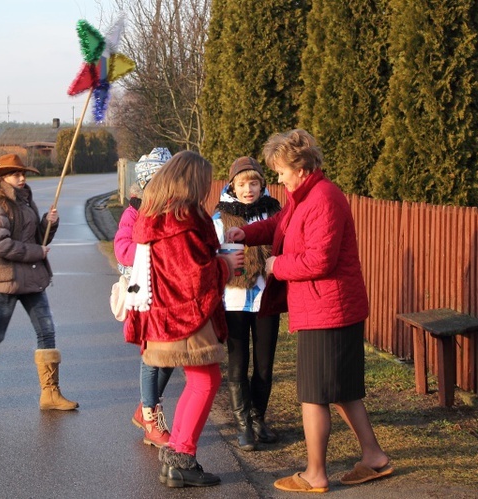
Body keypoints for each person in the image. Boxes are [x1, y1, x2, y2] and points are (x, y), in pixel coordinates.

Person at [226, 130, 392, 493]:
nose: (278, 178)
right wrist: (247, 234)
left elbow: (319, 260)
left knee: (313, 395)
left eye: (281, 170)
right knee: (343, 390)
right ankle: (374, 457)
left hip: (328, 309)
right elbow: (280, 226)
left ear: (300, 168)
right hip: (328, 306)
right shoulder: (304, 197)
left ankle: (315, 474)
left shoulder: (324, 199)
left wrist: (276, 266)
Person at [124, 151, 243, 488]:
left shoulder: (160, 215)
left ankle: (178, 455)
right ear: (192, 182)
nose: (207, 188)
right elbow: (191, 276)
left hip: (167, 315)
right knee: (206, 381)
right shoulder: (181, 219)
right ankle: (181, 458)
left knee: (201, 381)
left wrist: (218, 252)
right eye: (204, 182)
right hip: (185, 317)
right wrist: (226, 266)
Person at [0, 153, 78, 411]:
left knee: (47, 331)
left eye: (23, 174)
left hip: (31, 277)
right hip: (5, 278)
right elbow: (1, 245)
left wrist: (48, 224)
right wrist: (36, 253)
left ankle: (50, 394)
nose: (22, 178)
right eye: (16, 174)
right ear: (2, 178)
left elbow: (38, 240)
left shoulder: (26, 201)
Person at [212, 157, 282, 451]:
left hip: (267, 298)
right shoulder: (220, 218)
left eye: (254, 183)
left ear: (262, 184)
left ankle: (258, 419)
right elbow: (210, 256)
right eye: (242, 184)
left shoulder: (275, 213)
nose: (248, 189)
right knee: (238, 365)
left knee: (264, 366)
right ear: (232, 186)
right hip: (235, 300)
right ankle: (243, 426)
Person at [115, 147, 174, 448]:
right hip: (147, 296)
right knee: (152, 356)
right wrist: (152, 251)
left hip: (171, 295)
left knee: (170, 355)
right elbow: (122, 249)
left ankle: (145, 407)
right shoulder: (134, 212)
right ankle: (151, 417)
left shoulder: (174, 210)